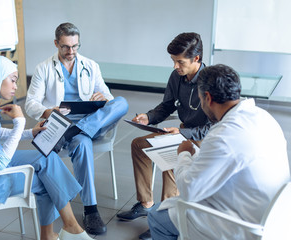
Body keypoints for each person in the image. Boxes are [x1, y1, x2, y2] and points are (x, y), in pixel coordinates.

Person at [0, 56, 94, 240]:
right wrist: (19, 123)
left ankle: (64, 230)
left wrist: (29, 132)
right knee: (48, 180)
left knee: (47, 159)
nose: (16, 86)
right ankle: (62, 231)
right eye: (13, 80)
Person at [147, 64, 290, 239]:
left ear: (207, 97)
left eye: (199, 99)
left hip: (242, 225)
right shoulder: (263, 117)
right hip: (274, 217)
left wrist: (184, 154)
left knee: (156, 216)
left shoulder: (223, 134)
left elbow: (189, 191)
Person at [25, 22, 129, 235]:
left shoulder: (91, 65)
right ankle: (91, 210)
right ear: (56, 43)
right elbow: (30, 103)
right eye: (65, 47)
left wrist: (103, 97)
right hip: (61, 123)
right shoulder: (43, 68)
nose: (71, 52)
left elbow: (107, 95)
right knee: (82, 143)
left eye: (75, 46)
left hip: (91, 121)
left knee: (121, 102)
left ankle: (77, 131)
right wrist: (48, 112)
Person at [116, 32, 211, 240]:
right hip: (182, 132)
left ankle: (167, 217)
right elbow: (167, 105)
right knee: (138, 145)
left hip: (202, 139)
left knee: (172, 158)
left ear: (196, 59)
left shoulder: (210, 82)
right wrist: (148, 117)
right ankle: (146, 204)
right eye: (173, 61)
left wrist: (183, 132)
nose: (176, 67)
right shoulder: (177, 76)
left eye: (180, 62)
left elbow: (212, 127)